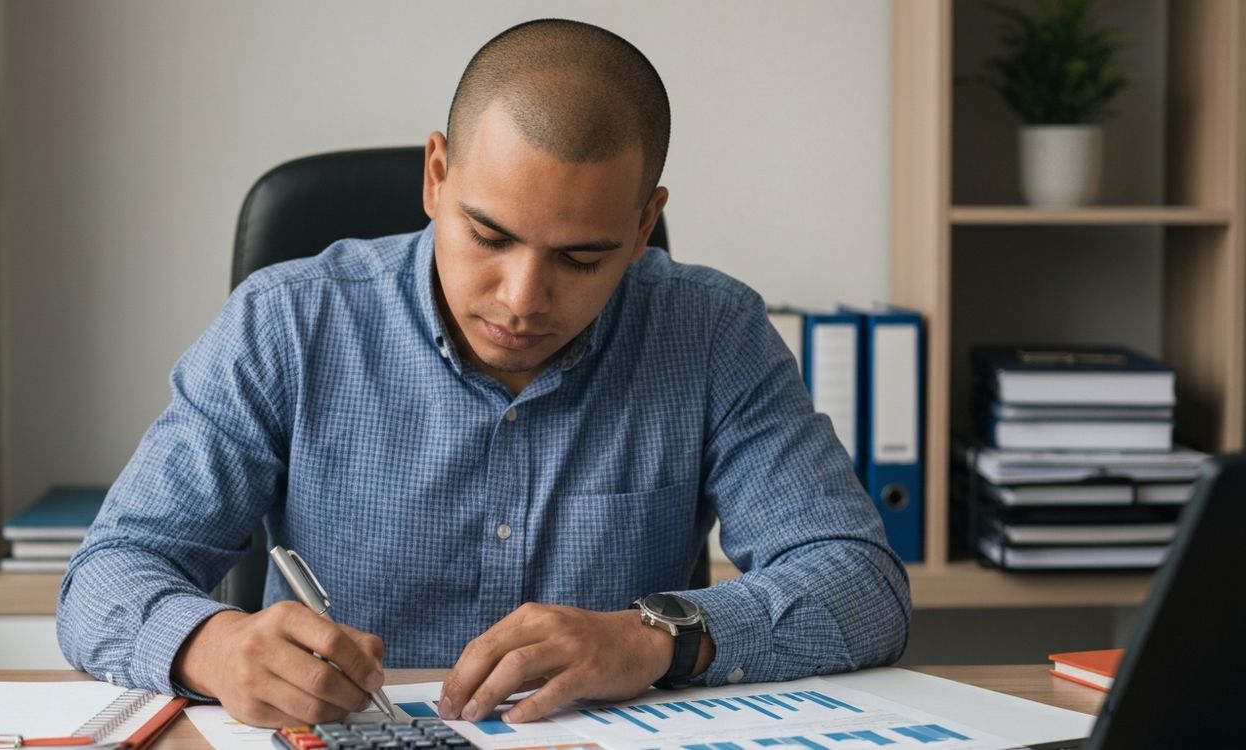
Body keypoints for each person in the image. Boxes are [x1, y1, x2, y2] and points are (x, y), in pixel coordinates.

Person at [57, 18, 910, 729]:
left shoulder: (712, 332)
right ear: (436, 176)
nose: (522, 299)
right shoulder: (286, 321)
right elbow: (107, 575)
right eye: (491, 237)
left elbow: (863, 584)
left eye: (582, 256)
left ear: (646, 221)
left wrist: (656, 638)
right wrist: (214, 646)